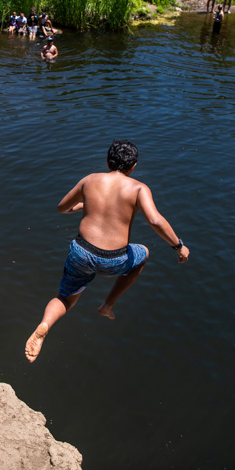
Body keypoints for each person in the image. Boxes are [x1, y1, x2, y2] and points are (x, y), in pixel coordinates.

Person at [24, 140, 190, 363]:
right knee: (143, 253)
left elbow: (62, 208)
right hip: (114, 260)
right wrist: (179, 246)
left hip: (81, 253)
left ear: (107, 161)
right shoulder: (139, 188)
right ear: (134, 167)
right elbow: (154, 220)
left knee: (65, 298)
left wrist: (83, 206)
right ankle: (107, 305)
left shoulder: (90, 180)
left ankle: (45, 324)